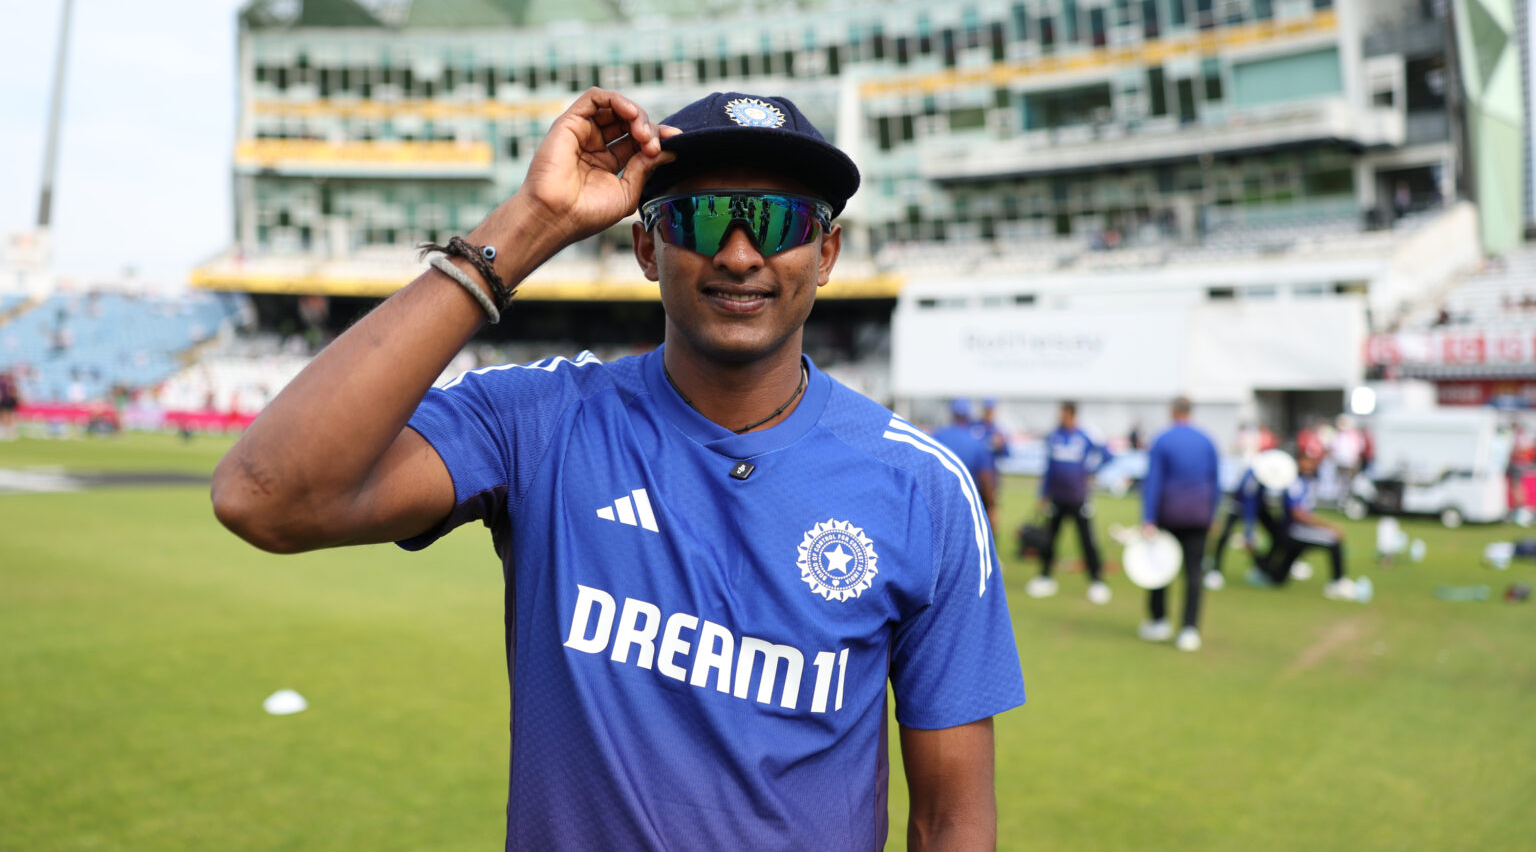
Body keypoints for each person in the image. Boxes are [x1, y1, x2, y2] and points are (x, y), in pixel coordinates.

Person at [212, 89, 1026, 850]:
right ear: (646, 246)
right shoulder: (537, 420)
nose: (740, 253)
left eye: (779, 223)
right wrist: (530, 223)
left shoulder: (923, 486)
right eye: (702, 219)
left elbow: (952, 818)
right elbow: (265, 495)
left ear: (827, 253)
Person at [1138, 396, 1220, 652]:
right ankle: (1189, 629)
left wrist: (1148, 518)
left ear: (1173, 411)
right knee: (1193, 573)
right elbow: (1216, 481)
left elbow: (1153, 481)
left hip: (1169, 514)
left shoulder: (1163, 439)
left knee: (1160, 568)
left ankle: (1159, 621)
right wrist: (1213, 513)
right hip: (1199, 514)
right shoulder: (1206, 439)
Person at [1027, 401, 1112, 604]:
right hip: (1057, 497)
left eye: (1064, 413)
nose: (1060, 417)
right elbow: (1049, 467)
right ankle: (1045, 577)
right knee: (1050, 539)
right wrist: (1043, 494)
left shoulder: (1085, 435)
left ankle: (1097, 581)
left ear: (1072, 414)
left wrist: (1091, 472)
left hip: (1079, 498)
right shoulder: (1054, 436)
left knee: (1086, 540)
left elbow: (1108, 455)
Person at [1255, 453, 1358, 599]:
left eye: (1313, 461)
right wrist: (1328, 526)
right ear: (1298, 461)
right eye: (1307, 461)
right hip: (1295, 531)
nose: (1311, 465)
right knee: (1333, 540)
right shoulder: (1294, 483)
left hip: (1296, 531)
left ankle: (1261, 567)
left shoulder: (1305, 481)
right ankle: (1337, 583)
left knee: (1278, 579)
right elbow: (1298, 514)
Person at [1204, 462, 1283, 590]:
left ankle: (1262, 567)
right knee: (1225, 536)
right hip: (1238, 507)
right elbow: (1249, 502)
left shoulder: (1271, 472)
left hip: (1258, 508)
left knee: (1277, 534)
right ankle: (1215, 568)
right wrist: (1249, 531)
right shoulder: (1252, 475)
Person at [934, 399, 1000, 538]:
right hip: (968, 502)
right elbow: (986, 477)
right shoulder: (976, 441)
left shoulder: (938, 436)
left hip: (940, 501)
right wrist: (991, 507)